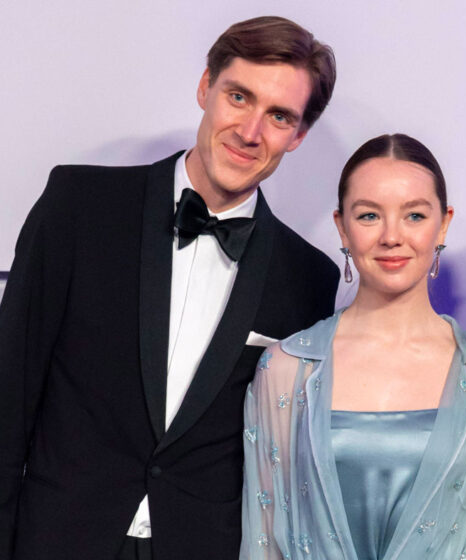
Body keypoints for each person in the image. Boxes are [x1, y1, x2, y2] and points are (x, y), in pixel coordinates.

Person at [0, 16, 339, 560]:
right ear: (205, 87)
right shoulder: (80, 206)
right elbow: (9, 392)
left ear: (298, 136)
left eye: (279, 116)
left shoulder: (308, 277)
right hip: (58, 539)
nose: (250, 132)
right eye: (238, 97)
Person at [240, 133, 466, 559]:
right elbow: (263, 541)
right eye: (369, 215)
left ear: (443, 224)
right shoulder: (286, 368)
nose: (391, 236)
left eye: (414, 215)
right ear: (342, 227)